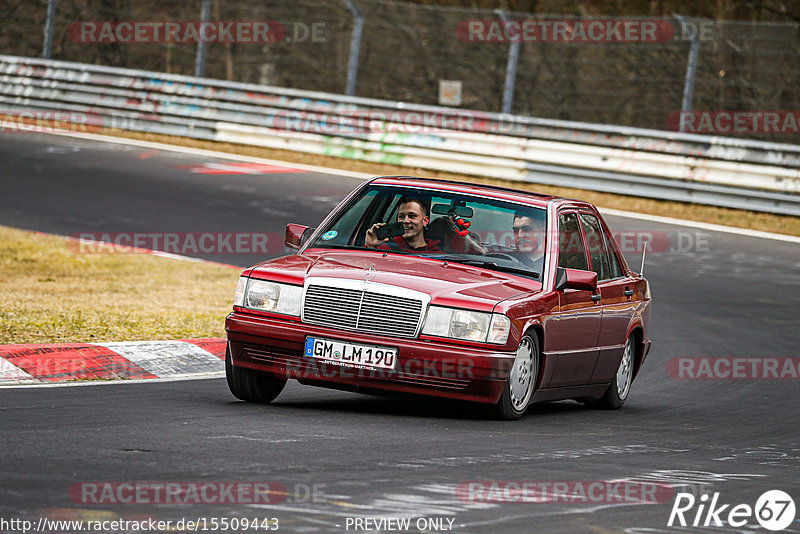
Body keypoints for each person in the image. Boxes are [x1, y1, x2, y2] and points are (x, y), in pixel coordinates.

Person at [365, 196, 441, 252]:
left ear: (425, 220)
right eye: (401, 216)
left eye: (412, 216)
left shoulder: (437, 254)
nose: (406, 221)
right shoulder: (385, 248)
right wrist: (370, 246)